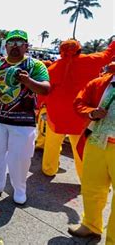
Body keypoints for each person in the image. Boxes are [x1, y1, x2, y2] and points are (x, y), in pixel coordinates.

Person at [0, 30, 50, 205]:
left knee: (20, 158)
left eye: (20, 43)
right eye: (12, 43)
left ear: (26, 46)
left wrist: (28, 82)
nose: (15, 47)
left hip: (23, 122)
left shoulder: (36, 65)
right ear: (6, 46)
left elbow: (46, 89)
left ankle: (19, 189)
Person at [42, 39, 115, 180]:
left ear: (60, 52)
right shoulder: (91, 60)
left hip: (56, 114)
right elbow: (108, 54)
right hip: (80, 114)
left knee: (52, 144)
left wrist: (40, 106)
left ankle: (49, 169)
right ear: (80, 50)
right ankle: (84, 176)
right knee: (80, 147)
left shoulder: (53, 68)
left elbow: (43, 92)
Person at [68, 62, 114, 242]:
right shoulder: (99, 83)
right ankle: (91, 225)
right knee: (92, 187)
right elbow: (79, 102)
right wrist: (92, 113)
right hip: (97, 141)